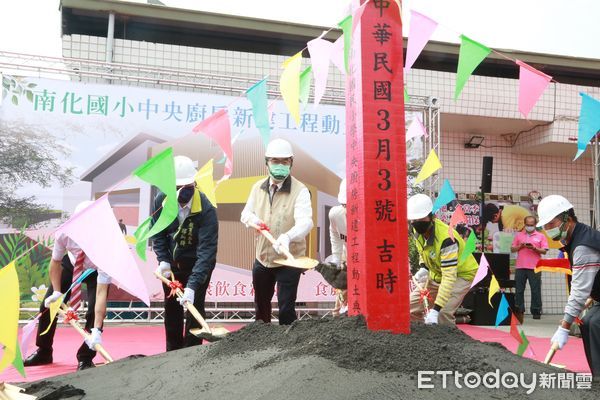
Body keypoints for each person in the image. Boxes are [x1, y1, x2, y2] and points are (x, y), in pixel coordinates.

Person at [24, 201, 111, 371]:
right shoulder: (64, 232)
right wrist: (57, 291)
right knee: (47, 305)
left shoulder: (106, 244)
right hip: (72, 264)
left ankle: (86, 357)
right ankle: (44, 351)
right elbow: (55, 262)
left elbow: (101, 293)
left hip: (96, 271)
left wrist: (97, 330)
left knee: (94, 311)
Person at [240, 138, 313, 325]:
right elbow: (245, 213)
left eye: (285, 161)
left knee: (286, 309)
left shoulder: (300, 190)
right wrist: (253, 220)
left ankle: (286, 349)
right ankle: (262, 347)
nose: (280, 165)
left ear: (291, 163)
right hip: (263, 258)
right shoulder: (258, 188)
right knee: (261, 306)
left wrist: (288, 237)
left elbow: (306, 222)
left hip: (288, 259)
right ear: (267, 163)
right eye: (275, 161)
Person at [152, 155, 219, 351]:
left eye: (185, 187)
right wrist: (163, 260)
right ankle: (172, 353)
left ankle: (192, 353)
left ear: (193, 183)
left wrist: (192, 286)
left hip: (197, 264)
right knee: (172, 308)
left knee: (194, 306)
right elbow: (158, 233)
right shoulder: (160, 200)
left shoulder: (206, 208)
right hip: (172, 265)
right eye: (177, 187)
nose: (181, 192)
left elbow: (206, 252)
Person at [537, 195, 600, 377]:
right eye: (545, 226)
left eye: (551, 224)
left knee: (595, 323)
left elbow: (579, 291)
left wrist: (564, 327)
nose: (548, 230)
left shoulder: (583, 247)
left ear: (567, 218)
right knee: (588, 322)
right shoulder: (576, 237)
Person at [408, 194, 479, 325]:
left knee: (442, 313)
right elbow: (422, 251)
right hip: (436, 273)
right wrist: (423, 267)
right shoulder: (415, 230)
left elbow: (449, 277)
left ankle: (450, 344)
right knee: (410, 309)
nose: (416, 222)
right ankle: (423, 340)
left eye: (420, 218)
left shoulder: (447, 239)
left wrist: (435, 309)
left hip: (461, 274)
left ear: (432, 216)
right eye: (413, 220)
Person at [510, 216, 548, 322]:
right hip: (520, 266)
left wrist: (534, 248)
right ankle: (519, 311)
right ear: (524, 224)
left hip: (535, 266)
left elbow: (544, 251)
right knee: (519, 290)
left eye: (531, 225)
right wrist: (520, 246)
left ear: (535, 225)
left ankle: (536, 311)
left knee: (536, 290)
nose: (529, 226)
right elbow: (512, 249)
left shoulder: (541, 236)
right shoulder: (519, 235)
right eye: (527, 224)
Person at [327, 179, 348, 316]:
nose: (348, 209)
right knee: (342, 291)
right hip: (348, 255)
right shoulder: (336, 214)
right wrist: (336, 259)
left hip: (369, 260)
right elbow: (334, 234)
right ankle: (338, 317)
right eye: (345, 205)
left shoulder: (371, 216)